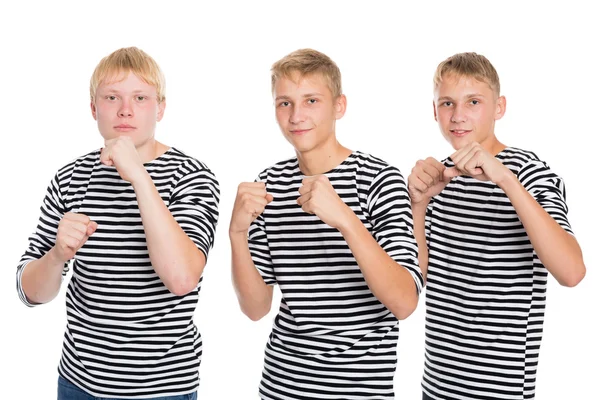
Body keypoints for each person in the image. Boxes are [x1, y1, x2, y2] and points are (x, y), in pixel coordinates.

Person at [16, 47, 219, 399]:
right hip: (79, 385)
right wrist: (56, 256)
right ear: (94, 108)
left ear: (160, 108)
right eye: (112, 97)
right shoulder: (70, 178)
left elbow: (182, 278)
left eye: (140, 98)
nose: (126, 109)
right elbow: (30, 293)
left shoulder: (191, 176)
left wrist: (139, 176)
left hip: (164, 389)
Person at [230, 48, 424, 399]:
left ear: (339, 106)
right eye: (284, 103)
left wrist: (346, 220)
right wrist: (237, 233)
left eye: (311, 100)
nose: (296, 115)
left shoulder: (378, 180)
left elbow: (404, 302)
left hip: (359, 392)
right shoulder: (268, 184)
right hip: (280, 387)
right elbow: (255, 309)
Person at [408, 52, 586, 400]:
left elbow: (572, 272)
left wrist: (506, 179)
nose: (458, 116)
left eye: (473, 101)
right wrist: (418, 206)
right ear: (434, 111)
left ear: (499, 107)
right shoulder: (437, 178)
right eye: (447, 103)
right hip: (436, 384)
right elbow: (417, 282)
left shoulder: (528, 172)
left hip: (500, 389)